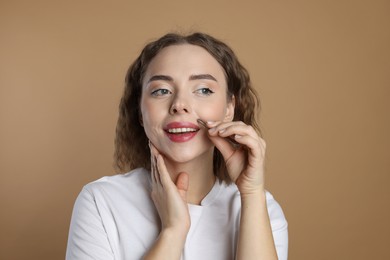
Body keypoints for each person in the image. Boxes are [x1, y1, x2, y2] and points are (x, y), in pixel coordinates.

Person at [66, 32, 288, 260]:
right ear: (140, 112)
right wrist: (173, 231)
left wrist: (251, 194)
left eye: (203, 90)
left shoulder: (262, 210)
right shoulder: (100, 202)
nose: (180, 104)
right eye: (161, 90)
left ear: (229, 108)